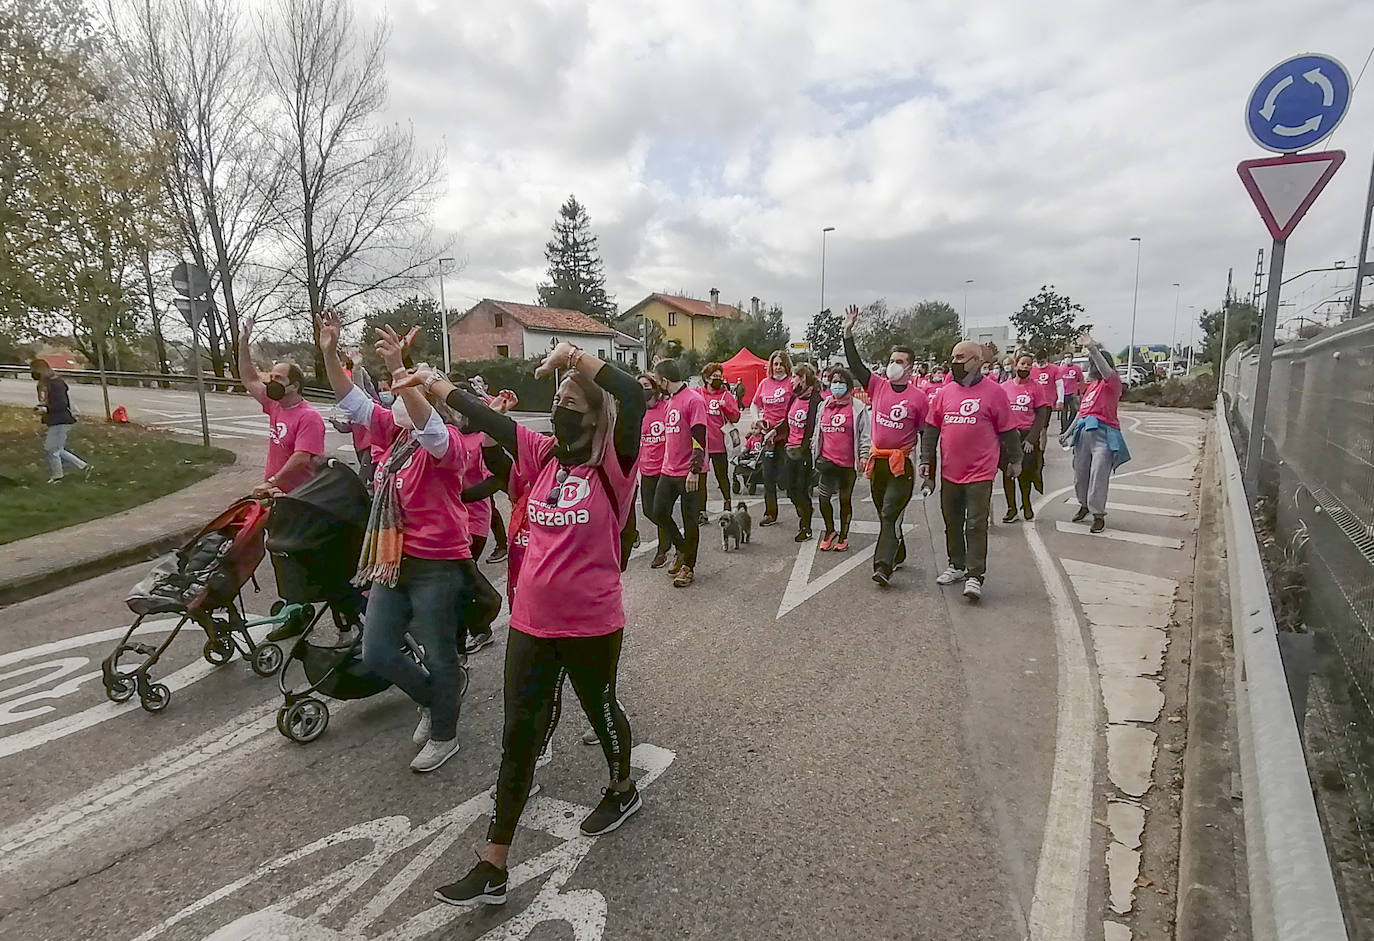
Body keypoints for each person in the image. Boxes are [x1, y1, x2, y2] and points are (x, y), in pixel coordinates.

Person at [416, 341, 644, 908]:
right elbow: (489, 417)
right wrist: (431, 383)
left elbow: (631, 392)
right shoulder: (541, 455)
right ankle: (493, 860)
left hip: (592, 623)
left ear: (593, 417)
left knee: (601, 709)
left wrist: (571, 358)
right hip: (531, 624)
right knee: (519, 733)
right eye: (556, 402)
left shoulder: (613, 461)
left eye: (570, 404)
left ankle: (622, 788)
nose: (559, 412)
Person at [316, 311, 476, 773]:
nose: (392, 397)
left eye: (404, 392)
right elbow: (351, 398)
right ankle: (433, 699)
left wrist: (405, 374)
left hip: (438, 565)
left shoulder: (448, 444)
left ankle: (445, 733)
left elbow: (429, 428)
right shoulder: (394, 432)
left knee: (439, 653)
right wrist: (330, 352)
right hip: (393, 561)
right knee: (378, 650)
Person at [920, 340, 1021, 603]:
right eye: (953, 357)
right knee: (952, 521)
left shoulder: (995, 392)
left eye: (961, 358)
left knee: (976, 524)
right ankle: (956, 565)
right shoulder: (944, 392)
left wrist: (1015, 459)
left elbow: (1008, 430)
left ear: (977, 361)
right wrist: (926, 461)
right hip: (950, 471)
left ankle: (975, 574)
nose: (955, 362)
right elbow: (931, 430)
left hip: (981, 472)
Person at [842, 305, 927, 587]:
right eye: (892, 359)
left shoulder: (918, 397)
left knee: (891, 512)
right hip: (878, 463)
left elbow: (925, 431)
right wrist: (848, 332)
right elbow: (855, 366)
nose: (894, 364)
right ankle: (897, 551)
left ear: (910, 367)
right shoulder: (877, 386)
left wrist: (928, 463)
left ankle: (882, 567)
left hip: (900, 465)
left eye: (900, 361)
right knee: (885, 516)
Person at [236, 315, 326, 495]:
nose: (272, 382)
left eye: (278, 378)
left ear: (294, 386)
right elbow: (249, 378)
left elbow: (301, 457)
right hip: (274, 491)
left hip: (299, 495)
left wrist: (271, 482)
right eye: (271, 377)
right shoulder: (274, 404)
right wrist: (243, 343)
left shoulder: (309, 417)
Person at [649, 360, 707, 586]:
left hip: (689, 472)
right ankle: (682, 548)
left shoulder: (693, 400)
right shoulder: (670, 401)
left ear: (664, 380)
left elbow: (699, 438)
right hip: (668, 469)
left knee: (690, 520)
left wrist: (694, 470)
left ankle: (688, 567)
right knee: (658, 512)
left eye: (658, 380)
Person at [1063, 335, 1129, 533]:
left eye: (1094, 364)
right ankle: (1084, 505)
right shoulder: (1091, 388)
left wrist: (1092, 349)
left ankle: (1098, 514)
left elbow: (1105, 370)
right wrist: (1067, 433)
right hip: (1083, 434)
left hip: (1104, 434)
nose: (1092, 367)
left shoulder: (1113, 383)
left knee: (1099, 474)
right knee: (1080, 473)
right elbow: (1082, 413)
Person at [813, 367, 870, 552]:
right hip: (827, 462)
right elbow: (817, 431)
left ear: (848, 385)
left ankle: (843, 536)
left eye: (841, 382)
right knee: (823, 499)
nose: (837, 385)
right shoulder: (824, 405)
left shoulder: (858, 408)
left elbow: (864, 435)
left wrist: (864, 456)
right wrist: (814, 452)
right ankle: (830, 531)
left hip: (847, 464)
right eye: (834, 381)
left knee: (845, 501)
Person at [999, 352, 1054, 522]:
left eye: (1029, 364)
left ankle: (1026, 502)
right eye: (1022, 363)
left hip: (1027, 434)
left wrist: (1031, 438)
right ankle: (1011, 508)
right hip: (1009, 435)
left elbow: (1041, 414)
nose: (1025, 367)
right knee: (1008, 472)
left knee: (1026, 474)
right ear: (1015, 365)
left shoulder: (1036, 387)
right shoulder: (1004, 387)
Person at [29, 359, 90, 483]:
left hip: (61, 419)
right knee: (57, 449)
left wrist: (46, 409)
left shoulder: (56, 383)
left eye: (34, 371)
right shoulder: (46, 384)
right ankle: (84, 466)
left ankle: (58, 476)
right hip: (56, 419)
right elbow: (49, 401)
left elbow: (61, 404)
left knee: (52, 450)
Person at [752, 350, 793, 526]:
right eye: (775, 364)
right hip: (767, 437)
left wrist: (778, 429)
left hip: (786, 435)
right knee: (767, 475)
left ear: (786, 365)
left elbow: (797, 407)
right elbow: (755, 404)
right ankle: (770, 513)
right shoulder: (764, 383)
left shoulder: (791, 383)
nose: (777, 367)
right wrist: (757, 421)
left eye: (780, 364)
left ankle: (802, 509)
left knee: (786, 476)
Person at [782, 363, 822, 542]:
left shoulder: (816, 401)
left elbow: (815, 429)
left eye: (795, 377)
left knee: (801, 489)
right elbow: (786, 422)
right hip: (790, 449)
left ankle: (805, 526)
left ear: (804, 379)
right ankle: (803, 512)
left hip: (804, 453)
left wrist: (807, 449)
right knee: (789, 488)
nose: (792, 380)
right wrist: (771, 430)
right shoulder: (794, 398)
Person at [637, 373, 671, 568]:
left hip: (665, 469)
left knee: (660, 509)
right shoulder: (638, 413)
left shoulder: (665, 408)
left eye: (647, 385)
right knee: (649, 511)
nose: (644, 389)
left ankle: (663, 549)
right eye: (640, 386)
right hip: (646, 469)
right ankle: (672, 535)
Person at [698, 362, 741, 514]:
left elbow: (736, 417)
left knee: (721, 475)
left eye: (719, 376)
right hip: (701, 444)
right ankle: (701, 510)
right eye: (713, 376)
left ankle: (727, 501)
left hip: (719, 443)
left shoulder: (726, 395)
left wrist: (725, 407)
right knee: (701, 478)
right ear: (706, 378)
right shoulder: (698, 394)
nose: (717, 379)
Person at [1058, 353, 1083, 433]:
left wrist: (1081, 392)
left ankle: (1070, 426)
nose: (1067, 358)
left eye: (1069, 357)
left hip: (1073, 393)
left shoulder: (1077, 369)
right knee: (1063, 413)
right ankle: (1063, 429)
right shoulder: (1060, 369)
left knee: (1074, 411)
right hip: (1063, 393)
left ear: (1072, 358)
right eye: (1066, 357)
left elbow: (1081, 380)